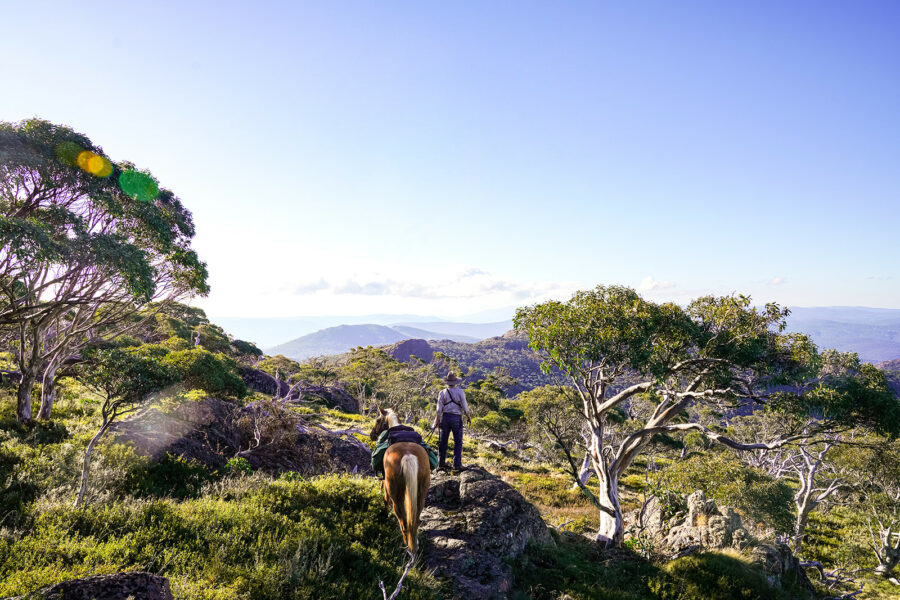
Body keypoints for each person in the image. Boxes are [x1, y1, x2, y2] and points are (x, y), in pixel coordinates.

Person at [433, 372, 471, 471]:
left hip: (445, 418)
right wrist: (468, 417)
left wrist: (437, 420)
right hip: (456, 418)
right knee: (458, 442)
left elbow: (438, 409)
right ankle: (457, 465)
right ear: (455, 382)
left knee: (443, 442)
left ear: (447, 382)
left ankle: (441, 464)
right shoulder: (460, 392)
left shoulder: (442, 392)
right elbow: (465, 406)